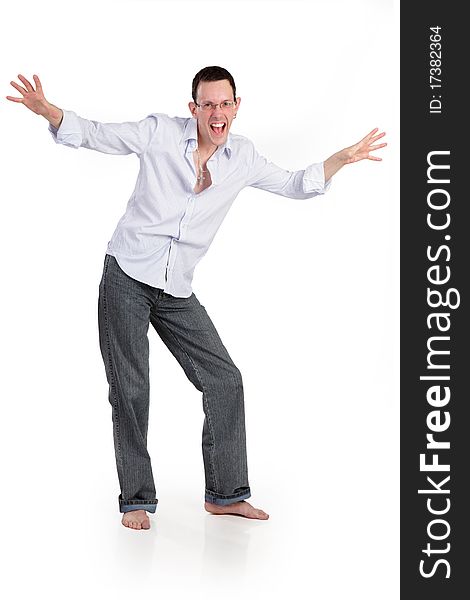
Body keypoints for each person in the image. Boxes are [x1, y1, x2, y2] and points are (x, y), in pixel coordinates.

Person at [6, 66, 387, 531]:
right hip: (127, 274)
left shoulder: (242, 158)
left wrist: (342, 158)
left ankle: (225, 495)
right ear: (194, 109)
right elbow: (98, 134)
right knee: (131, 388)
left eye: (225, 103)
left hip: (176, 289)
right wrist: (50, 112)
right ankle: (136, 500)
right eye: (208, 104)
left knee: (225, 380)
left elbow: (294, 183)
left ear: (236, 107)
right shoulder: (160, 134)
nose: (217, 112)